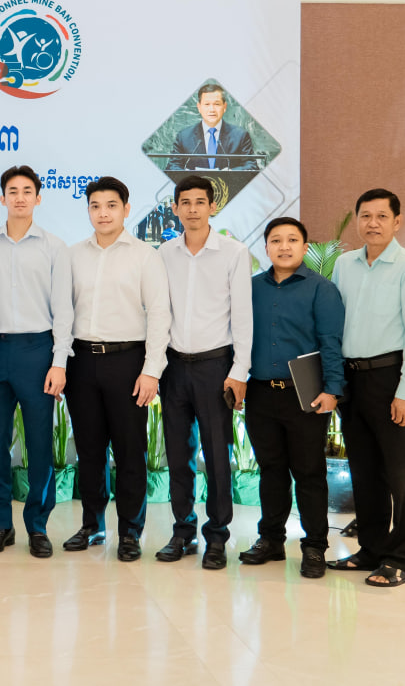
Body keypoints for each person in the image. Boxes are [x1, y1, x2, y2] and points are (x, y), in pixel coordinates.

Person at [63, 176, 171, 561]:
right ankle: (92, 525)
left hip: (128, 361)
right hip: (81, 361)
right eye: (95, 206)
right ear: (88, 210)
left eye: (111, 205)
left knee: (130, 451)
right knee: (89, 450)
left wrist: (152, 370)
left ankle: (130, 532)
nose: (103, 213)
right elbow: (63, 312)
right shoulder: (73, 255)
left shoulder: (145, 256)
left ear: (126, 209)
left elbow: (160, 314)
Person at [328, 189, 405, 589]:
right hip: (352, 380)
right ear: (357, 220)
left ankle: (400, 558)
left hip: (391, 379)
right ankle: (371, 549)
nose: (372, 223)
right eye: (365, 216)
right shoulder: (344, 265)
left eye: (382, 216)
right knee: (365, 470)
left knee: (401, 474)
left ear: (397, 222)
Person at [0, 165, 72, 559]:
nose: (19, 197)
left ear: (38, 198)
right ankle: (1, 525)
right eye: (12, 191)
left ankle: (38, 526)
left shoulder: (54, 247)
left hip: (37, 351)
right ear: (2, 198)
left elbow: (63, 310)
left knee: (40, 444)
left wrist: (59, 362)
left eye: (27, 191)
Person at [239, 217, 344, 579]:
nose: (284, 246)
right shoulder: (251, 288)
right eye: (276, 240)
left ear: (304, 247)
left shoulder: (321, 289)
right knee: (270, 471)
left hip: (306, 395)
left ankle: (314, 546)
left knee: (309, 472)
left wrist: (332, 389)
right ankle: (271, 540)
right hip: (260, 393)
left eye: (292, 240)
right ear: (266, 246)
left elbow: (331, 343)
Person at [156, 175, 252, 569]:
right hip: (174, 366)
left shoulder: (234, 252)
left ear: (213, 206)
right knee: (178, 456)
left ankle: (217, 536)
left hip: (216, 367)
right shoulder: (163, 253)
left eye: (200, 202)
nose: (192, 209)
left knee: (216, 457)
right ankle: (183, 532)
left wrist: (240, 371)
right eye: (185, 202)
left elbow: (243, 317)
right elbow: (158, 312)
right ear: (175, 208)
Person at [167, 84, 257, 171]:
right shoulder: (184, 136)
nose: (212, 109)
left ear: (224, 107)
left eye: (217, 104)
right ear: (199, 107)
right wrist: (188, 174)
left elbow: (251, 166)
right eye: (207, 104)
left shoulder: (240, 136)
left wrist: (230, 172)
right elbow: (172, 166)